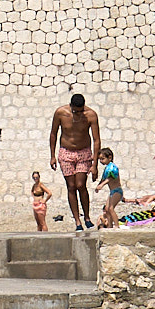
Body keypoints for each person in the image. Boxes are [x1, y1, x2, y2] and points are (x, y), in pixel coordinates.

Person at [47, 92, 101, 231]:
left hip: (83, 151)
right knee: (71, 186)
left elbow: (96, 139)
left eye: (81, 111)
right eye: (76, 111)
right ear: (70, 106)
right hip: (66, 152)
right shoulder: (60, 113)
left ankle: (87, 217)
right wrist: (52, 155)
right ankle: (77, 221)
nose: (78, 114)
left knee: (80, 184)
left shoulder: (90, 115)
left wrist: (95, 164)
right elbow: (54, 133)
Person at [96, 151, 124, 228]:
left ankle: (117, 225)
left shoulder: (113, 167)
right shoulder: (107, 168)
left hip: (117, 191)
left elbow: (111, 178)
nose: (101, 161)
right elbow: (103, 178)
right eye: (100, 159)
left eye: (103, 159)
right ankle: (110, 225)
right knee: (107, 209)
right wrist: (98, 185)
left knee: (111, 208)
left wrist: (102, 185)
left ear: (110, 158)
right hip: (112, 192)